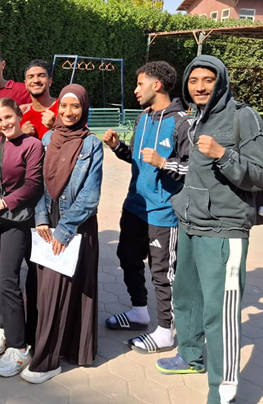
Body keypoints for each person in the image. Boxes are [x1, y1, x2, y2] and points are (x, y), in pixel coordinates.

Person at [156, 55, 263, 404]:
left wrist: (224, 154)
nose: (200, 87)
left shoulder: (243, 116)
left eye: (208, 80)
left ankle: (222, 393)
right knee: (187, 298)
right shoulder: (196, 119)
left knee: (220, 314)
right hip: (191, 223)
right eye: (194, 81)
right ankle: (190, 355)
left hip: (224, 230)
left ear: (221, 81)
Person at [102, 61, 192, 354]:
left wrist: (164, 163)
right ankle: (139, 312)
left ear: (157, 84)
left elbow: (194, 170)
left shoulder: (182, 123)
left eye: (140, 84)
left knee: (162, 273)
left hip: (163, 213)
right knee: (127, 257)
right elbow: (138, 158)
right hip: (134, 207)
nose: (135, 90)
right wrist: (118, 147)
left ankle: (166, 331)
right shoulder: (143, 118)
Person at [22, 84, 103, 384]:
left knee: (63, 290)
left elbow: (90, 196)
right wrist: (42, 217)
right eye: (64, 106)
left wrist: (65, 229)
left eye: (75, 106)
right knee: (45, 289)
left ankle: (48, 361)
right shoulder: (47, 139)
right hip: (47, 222)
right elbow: (38, 182)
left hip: (75, 225)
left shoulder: (92, 144)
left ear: (84, 109)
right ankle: (44, 345)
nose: (69, 112)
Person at [0, 98, 44, 377]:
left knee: (8, 280)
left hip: (17, 220)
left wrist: (3, 203)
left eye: (9, 117)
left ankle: (19, 347)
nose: (5, 123)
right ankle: (1, 326)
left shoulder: (33, 145)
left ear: (19, 115)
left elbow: (33, 185)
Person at [20, 60, 58, 140]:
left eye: (41, 76)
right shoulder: (21, 117)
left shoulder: (64, 109)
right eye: (31, 77)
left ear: (50, 81)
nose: (36, 80)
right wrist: (20, 136)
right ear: (25, 84)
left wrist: (56, 127)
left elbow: (80, 139)